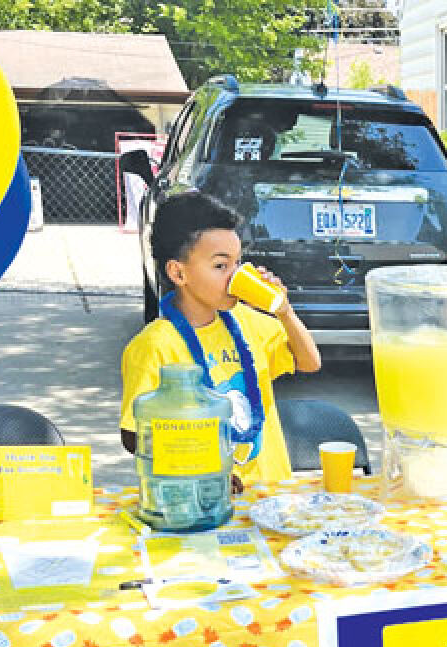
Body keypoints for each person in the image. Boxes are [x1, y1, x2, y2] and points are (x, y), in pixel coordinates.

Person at [120, 191, 321, 490]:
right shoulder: (155, 345)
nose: (234, 276)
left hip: (272, 491)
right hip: (205, 499)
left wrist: (285, 310)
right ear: (178, 272)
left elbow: (309, 362)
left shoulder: (248, 321)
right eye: (220, 266)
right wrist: (203, 471)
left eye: (238, 263)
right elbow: (134, 436)